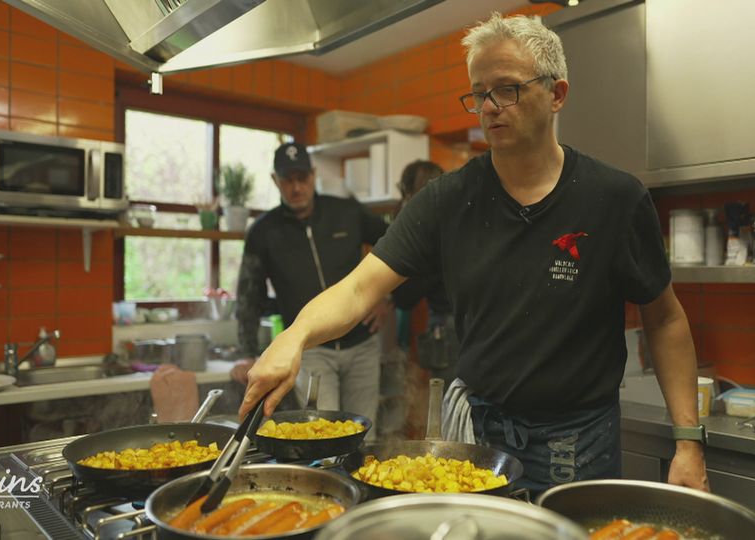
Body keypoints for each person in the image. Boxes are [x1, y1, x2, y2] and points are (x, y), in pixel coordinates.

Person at [239, 13, 707, 494]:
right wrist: (294, 336)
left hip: (578, 442)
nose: (489, 107)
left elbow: (665, 319)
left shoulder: (614, 198)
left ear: (557, 94)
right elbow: (361, 288)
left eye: (507, 89)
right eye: (479, 94)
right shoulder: (447, 200)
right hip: (481, 437)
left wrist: (688, 442)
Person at [231, 142, 390, 431]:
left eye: (302, 178)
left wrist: (385, 296)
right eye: (287, 180)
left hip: (362, 345)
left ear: (314, 174)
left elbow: (397, 248)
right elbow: (248, 294)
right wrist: (247, 350)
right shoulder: (263, 232)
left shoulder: (347, 212)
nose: (296, 187)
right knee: (320, 433)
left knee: (364, 434)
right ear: (275, 181)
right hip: (310, 350)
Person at [390, 161, 458, 388]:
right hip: (461, 326)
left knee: (451, 410)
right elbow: (404, 297)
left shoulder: (435, 227)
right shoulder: (450, 220)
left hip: (452, 326)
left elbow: (404, 297)